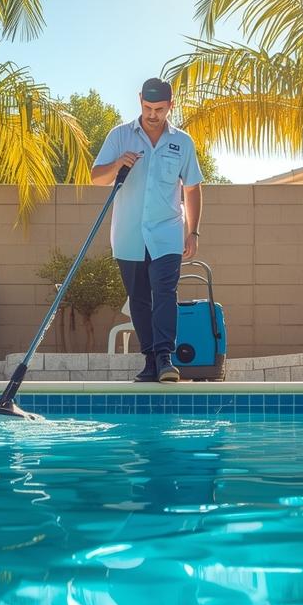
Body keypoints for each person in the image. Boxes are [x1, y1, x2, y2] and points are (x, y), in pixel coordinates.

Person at [91, 78, 204, 383]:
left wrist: (193, 231)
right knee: (139, 299)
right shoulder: (119, 136)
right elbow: (96, 178)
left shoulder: (183, 142)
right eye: (147, 107)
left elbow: (192, 188)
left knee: (165, 292)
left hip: (167, 232)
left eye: (160, 109)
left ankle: (166, 357)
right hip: (128, 234)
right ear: (140, 100)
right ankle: (151, 360)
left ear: (171, 106)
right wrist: (117, 164)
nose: (153, 114)